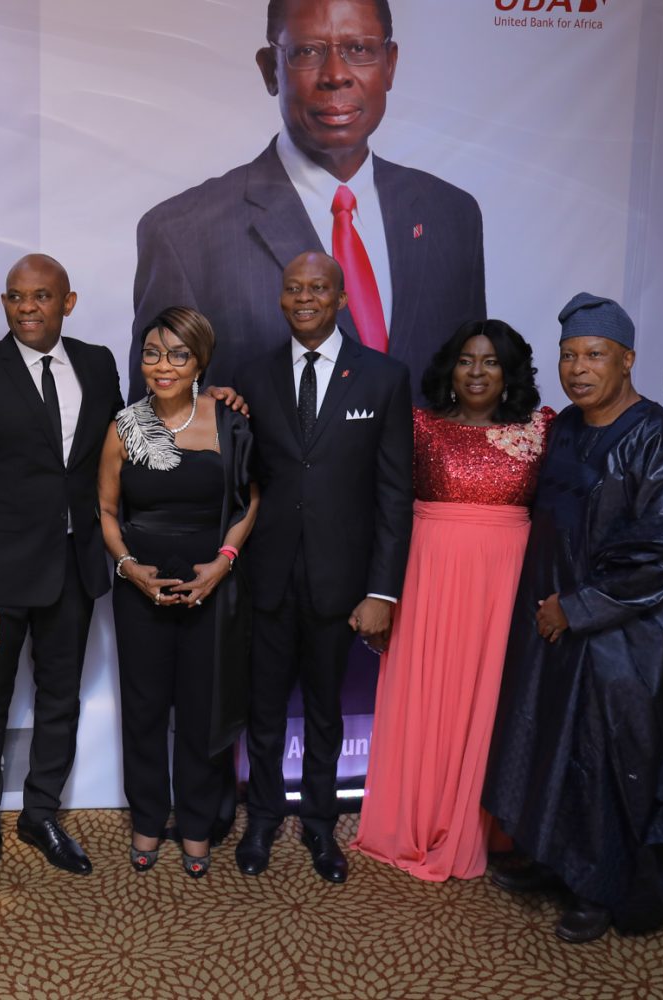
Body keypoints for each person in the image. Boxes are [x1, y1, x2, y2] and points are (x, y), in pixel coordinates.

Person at [483, 293, 663, 943]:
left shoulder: (661, 440)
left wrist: (578, 607)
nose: (578, 368)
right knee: (547, 744)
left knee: (604, 760)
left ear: (627, 360)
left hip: (625, 640)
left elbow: (660, 556)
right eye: (568, 356)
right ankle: (550, 859)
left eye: (594, 355)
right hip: (551, 623)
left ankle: (599, 888)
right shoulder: (565, 428)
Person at [132, 0, 485, 398]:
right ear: (270, 70)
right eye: (307, 52)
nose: (336, 75)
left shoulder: (452, 216)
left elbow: (476, 408)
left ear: (390, 64)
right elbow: (153, 433)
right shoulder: (184, 233)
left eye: (359, 49)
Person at [0, 254, 122, 900]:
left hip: (74, 569)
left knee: (59, 698)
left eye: (41, 297)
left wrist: (207, 400)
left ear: (67, 303)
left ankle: (41, 815)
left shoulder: (97, 364)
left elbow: (128, 447)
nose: (27, 308)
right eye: (15, 297)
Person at [350, 320, 554, 881]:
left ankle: (483, 823)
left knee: (489, 700)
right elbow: (380, 501)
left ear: (510, 372)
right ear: (450, 368)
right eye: (467, 360)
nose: (478, 371)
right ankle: (415, 819)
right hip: (429, 578)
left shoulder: (544, 428)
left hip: (504, 585)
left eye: (491, 361)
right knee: (426, 692)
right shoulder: (418, 427)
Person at [233, 250, 412, 884]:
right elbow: (239, 475)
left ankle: (317, 824)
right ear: (280, 298)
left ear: (340, 299)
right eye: (292, 288)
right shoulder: (250, 377)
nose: (304, 297)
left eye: (318, 288)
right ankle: (260, 819)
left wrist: (382, 592)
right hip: (267, 576)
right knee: (263, 707)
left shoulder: (384, 378)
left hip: (342, 584)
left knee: (327, 712)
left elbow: (394, 493)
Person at [98, 307, 260, 878]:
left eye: (177, 354)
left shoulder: (230, 421)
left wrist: (221, 564)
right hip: (139, 587)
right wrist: (129, 569)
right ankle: (147, 818)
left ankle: (195, 823)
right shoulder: (126, 425)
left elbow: (248, 502)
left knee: (200, 712)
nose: (162, 366)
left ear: (200, 361)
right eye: (151, 353)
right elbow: (107, 510)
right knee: (143, 712)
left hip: (210, 586)